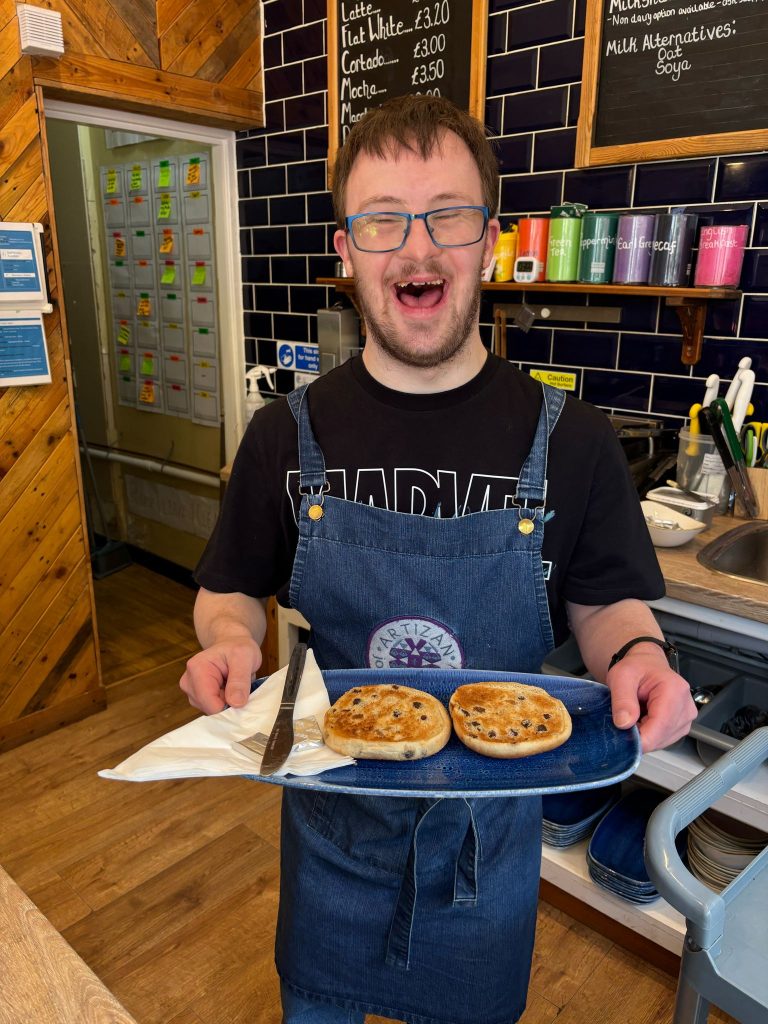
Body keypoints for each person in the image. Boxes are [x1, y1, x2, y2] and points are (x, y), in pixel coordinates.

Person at [181, 94, 696, 1024]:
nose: (416, 251)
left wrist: (641, 660)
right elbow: (231, 589)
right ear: (347, 252)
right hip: (328, 838)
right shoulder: (280, 437)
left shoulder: (574, 442)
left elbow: (610, 606)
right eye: (382, 222)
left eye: (447, 216)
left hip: (486, 856)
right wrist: (228, 641)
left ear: (488, 241)